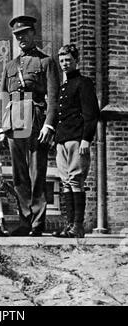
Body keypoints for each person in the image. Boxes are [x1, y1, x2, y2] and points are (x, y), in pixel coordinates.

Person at [0, 15, 59, 236]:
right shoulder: (10, 65)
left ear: (34, 33)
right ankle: (24, 220)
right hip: (15, 117)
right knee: (19, 173)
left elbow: (53, 98)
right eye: (17, 35)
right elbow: (4, 97)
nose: (21, 38)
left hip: (35, 116)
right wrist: (3, 127)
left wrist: (49, 125)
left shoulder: (46, 62)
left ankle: (37, 222)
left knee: (37, 170)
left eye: (24, 33)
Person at [53, 44, 100, 238]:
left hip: (77, 139)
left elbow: (91, 114)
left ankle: (78, 226)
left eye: (68, 60)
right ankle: (69, 225)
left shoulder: (84, 83)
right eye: (62, 60)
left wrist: (86, 139)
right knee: (65, 182)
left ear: (76, 61)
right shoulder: (63, 87)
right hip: (62, 139)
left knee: (75, 181)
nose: (65, 64)